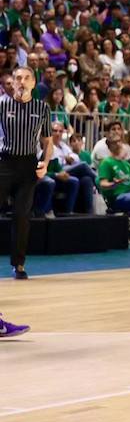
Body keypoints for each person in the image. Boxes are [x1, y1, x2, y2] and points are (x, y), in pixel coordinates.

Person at [0, 67, 52, 278]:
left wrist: (46, 163)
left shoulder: (42, 108)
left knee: (22, 217)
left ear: (33, 82)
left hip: (28, 166)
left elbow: (47, 141)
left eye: (27, 78)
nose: (22, 81)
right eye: (18, 78)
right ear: (12, 81)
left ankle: (18, 265)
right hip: (4, 163)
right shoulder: (2, 104)